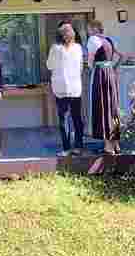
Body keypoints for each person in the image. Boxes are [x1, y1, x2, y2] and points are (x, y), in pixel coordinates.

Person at [47, 23, 85, 157]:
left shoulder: (55, 48)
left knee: (64, 119)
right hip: (75, 88)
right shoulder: (78, 48)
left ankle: (66, 149)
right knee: (77, 118)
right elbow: (81, 67)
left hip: (61, 88)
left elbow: (49, 65)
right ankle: (78, 147)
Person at [87, 20, 124, 155]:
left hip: (100, 74)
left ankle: (108, 146)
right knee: (113, 107)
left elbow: (90, 61)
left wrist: (91, 67)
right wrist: (114, 68)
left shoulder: (93, 40)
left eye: (89, 29)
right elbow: (122, 55)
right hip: (110, 73)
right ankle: (116, 144)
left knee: (102, 106)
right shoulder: (109, 40)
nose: (88, 32)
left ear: (94, 29)